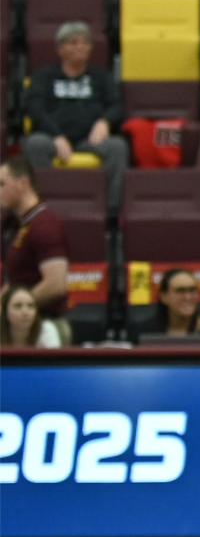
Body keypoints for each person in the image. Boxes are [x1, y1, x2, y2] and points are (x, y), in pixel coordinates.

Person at [22, 21, 129, 205]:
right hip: (53, 139)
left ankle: (111, 212)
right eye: (73, 43)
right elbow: (35, 108)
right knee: (34, 144)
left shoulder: (101, 77)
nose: (80, 47)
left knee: (117, 146)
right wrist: (56, 135)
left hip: (90, 140)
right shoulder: (44, 75)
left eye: (85, 43)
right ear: (60, 49)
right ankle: (41, 207)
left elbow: (116, 105)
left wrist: (104, 121)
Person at [1, 157, 71, 329]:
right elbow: (17, 281)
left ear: (23, 184)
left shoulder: (44, 224)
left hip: (46, 327)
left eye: (2, 184)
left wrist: (17, 309)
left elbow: (56, 284)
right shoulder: (22, 224)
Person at [149, 268, 200, 337]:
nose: (188, 297)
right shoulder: (145, 332)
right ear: (164, 297)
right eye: (180, 291)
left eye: (192, 290)